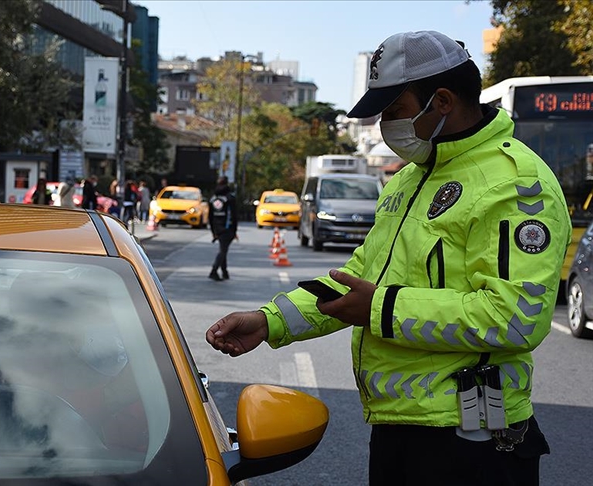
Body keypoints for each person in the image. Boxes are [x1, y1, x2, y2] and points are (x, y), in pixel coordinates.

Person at [205, 31, 570, 486]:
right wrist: (270, 321)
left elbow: (516, 317)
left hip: (474, 443)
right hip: (398, 429)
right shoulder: (407, 180)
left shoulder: (516, 185)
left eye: (394, 111)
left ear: (440, 101)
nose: (385, 125)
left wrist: (381, 309)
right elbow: (359, 276)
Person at [207, 176, 237, 281]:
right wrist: (235, 230)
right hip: (227, 228)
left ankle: (224, 272)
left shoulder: (213, 199)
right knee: (223, 251)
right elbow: (234, 215)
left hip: (217, 228)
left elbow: (210, 217)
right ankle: (214, 271)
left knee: (223, 249)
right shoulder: (230, 198)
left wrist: (213, 231)